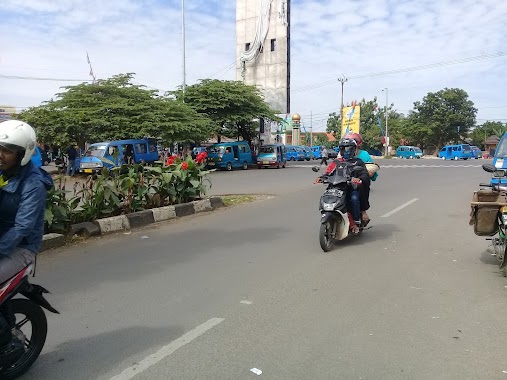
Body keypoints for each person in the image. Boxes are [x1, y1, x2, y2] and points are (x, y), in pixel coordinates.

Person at [0, 120, 53, 350]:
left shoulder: (33, 183)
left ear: (22, 153)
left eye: (7, 150)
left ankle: (8, 342)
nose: (0, 154)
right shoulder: (4, 172)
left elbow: (22, 227)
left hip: (21, 247)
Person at [323, 138, 370, 234]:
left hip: (351, 187)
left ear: (354, 149)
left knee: (354, 198)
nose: (346, 151)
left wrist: (359, 179)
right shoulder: (336, 162)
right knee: (326, 196)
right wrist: (322, 177)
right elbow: (328, 172)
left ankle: (356, 221)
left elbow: (364, 174)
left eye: (349, 149)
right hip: (337, 187)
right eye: (343, 149)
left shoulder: (358, 162)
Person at [344, 132, 377, 225]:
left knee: (359, 191)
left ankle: (362, 212)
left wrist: (366, 175)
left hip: (358, 182)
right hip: (344, 181)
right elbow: (335, 167)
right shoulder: (341, 155)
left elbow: (370, 172)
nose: (347, 149)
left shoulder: (364, 155)